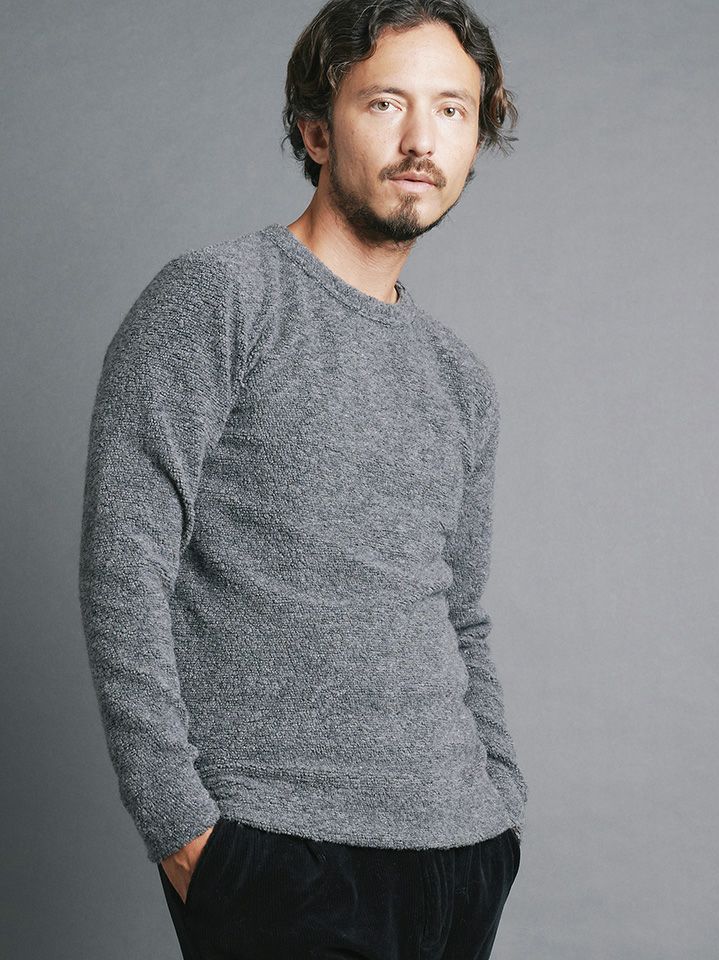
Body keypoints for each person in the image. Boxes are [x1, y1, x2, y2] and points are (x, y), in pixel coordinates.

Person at [78, 1, 528, 957]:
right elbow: (124, 567)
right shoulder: (217, 299)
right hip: (278, 853)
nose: (421, 140)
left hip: (461, 852)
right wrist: (181, 829)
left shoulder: (461, 378)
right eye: (386, 103)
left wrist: (500, 804)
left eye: (452, 110)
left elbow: (461, 613)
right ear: (317, 130)